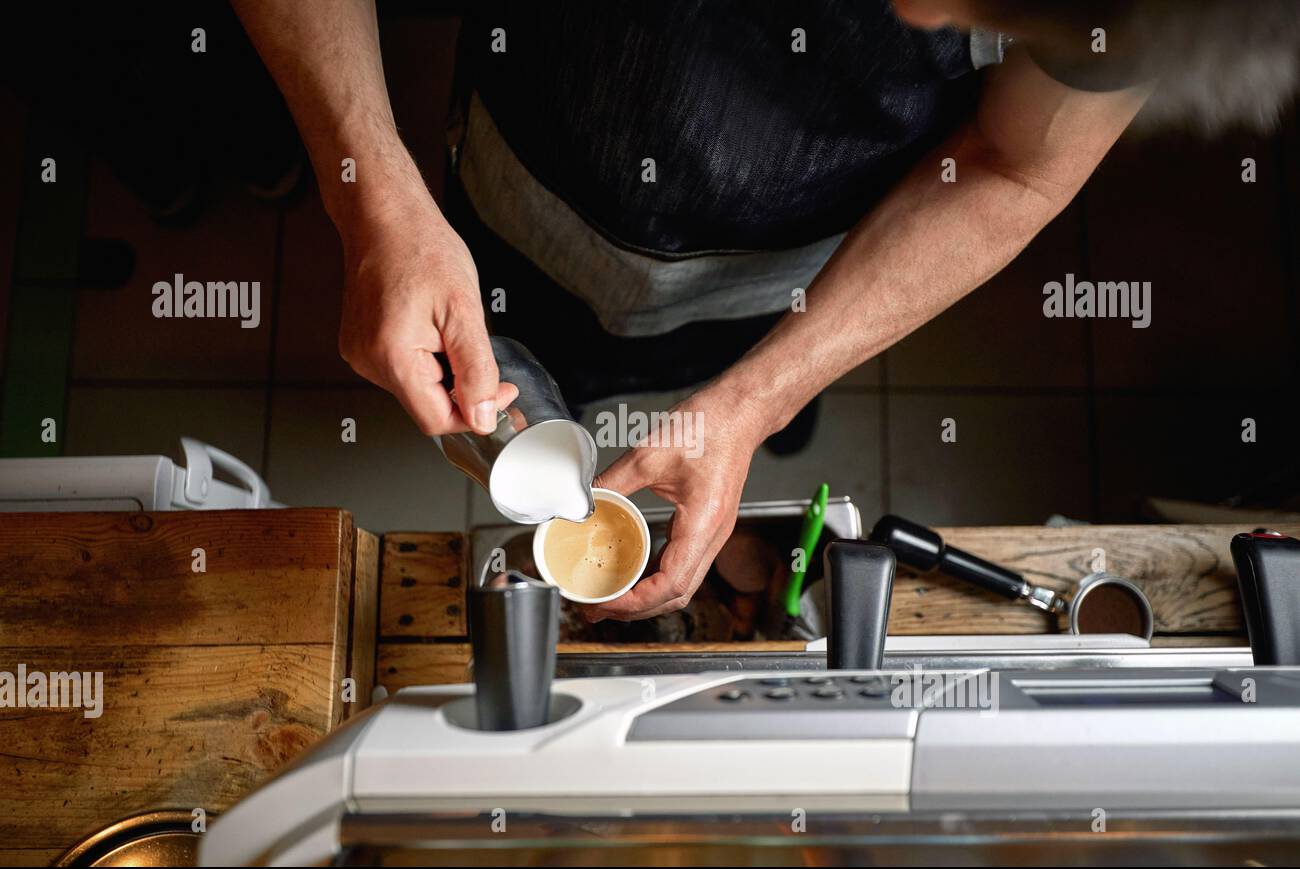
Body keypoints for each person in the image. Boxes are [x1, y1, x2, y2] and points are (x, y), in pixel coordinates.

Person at [232, 0, 1296, 622]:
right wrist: (369, 189)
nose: (926, 24)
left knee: (701, 397)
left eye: (989, 22)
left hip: (770, 273)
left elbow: (1015, 166)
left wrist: (756, 396)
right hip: (527, 175)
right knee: (512, 354)